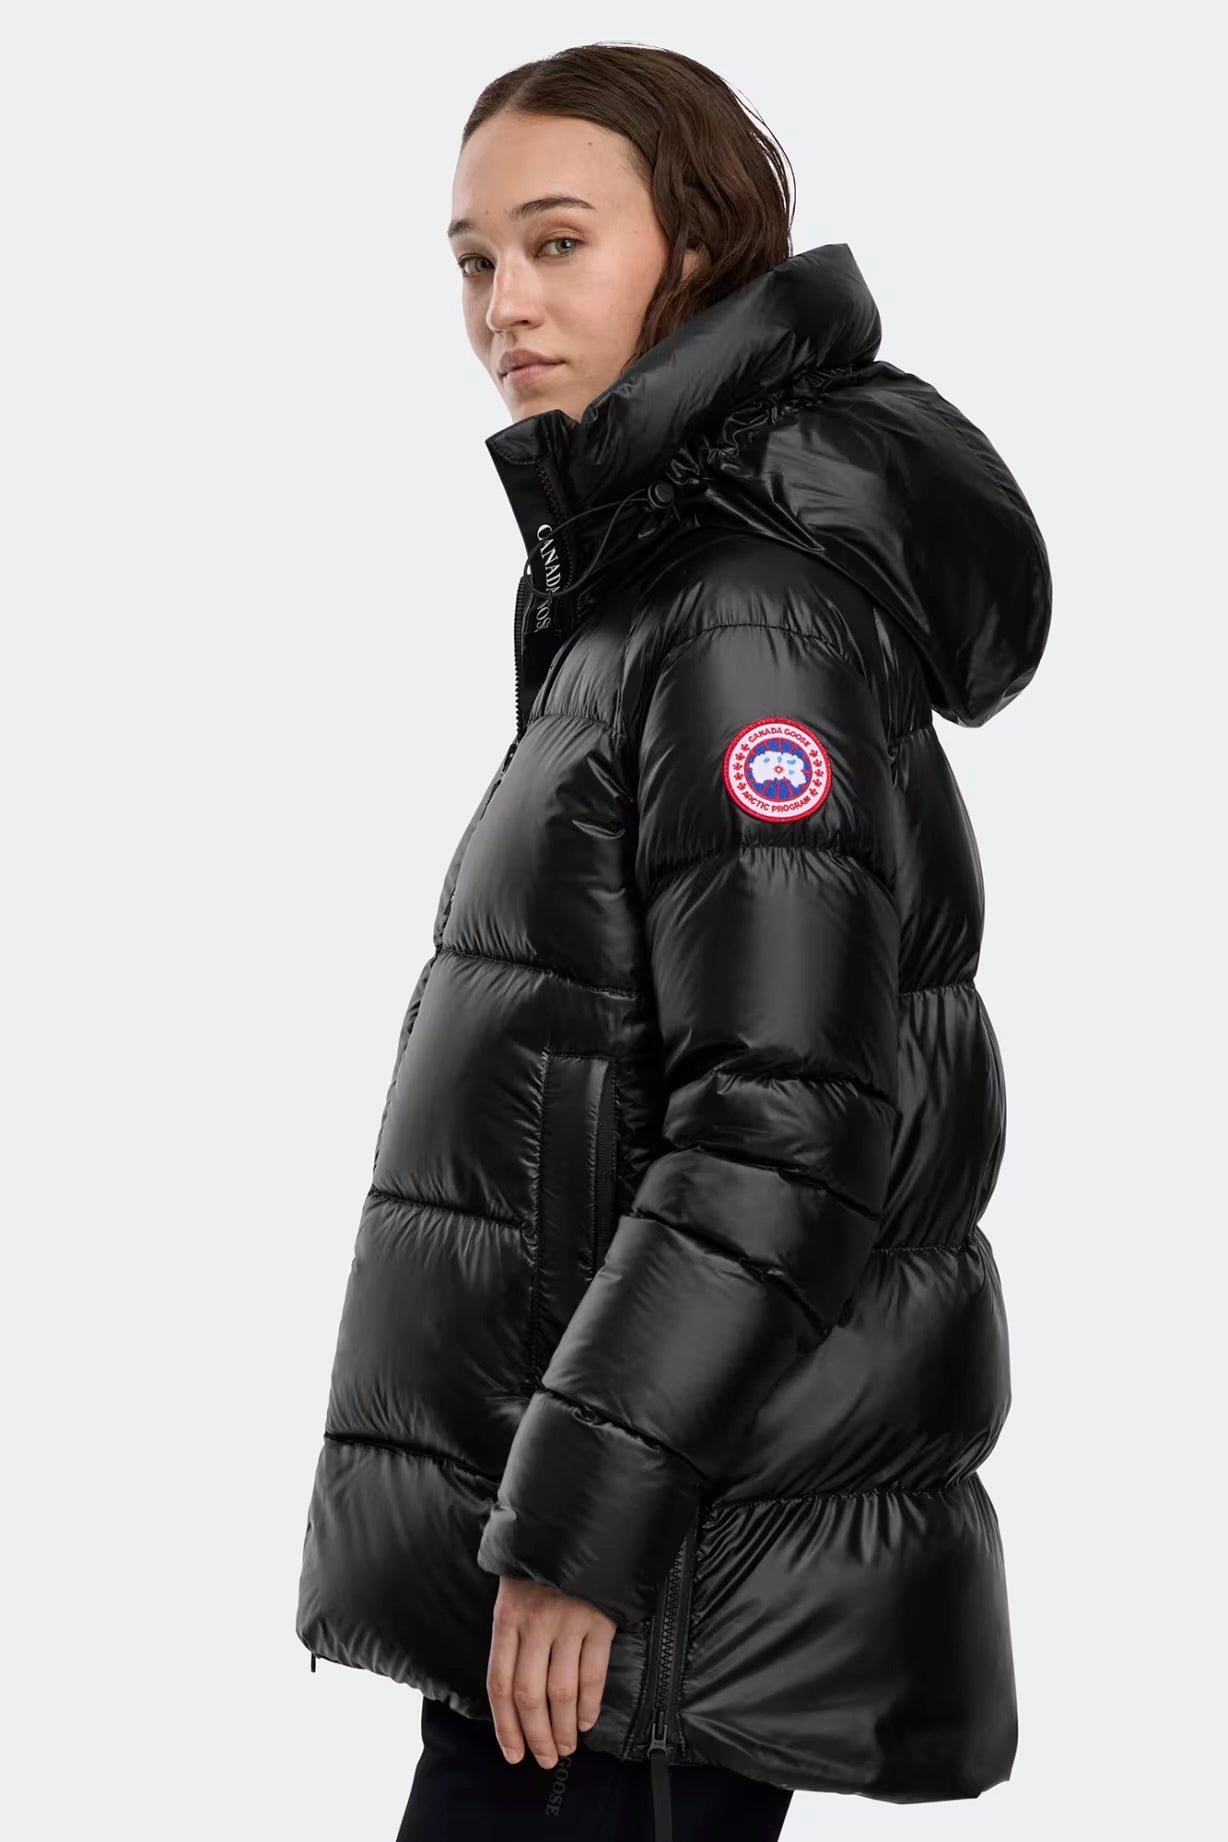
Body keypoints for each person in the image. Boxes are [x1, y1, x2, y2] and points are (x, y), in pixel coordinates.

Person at [295, 41, 1052, 1842]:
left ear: (698, 249)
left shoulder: (743, 612)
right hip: (597, 1568)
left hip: (644, 1598)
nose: (505, 304)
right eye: (475, 257)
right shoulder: (643, 581)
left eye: (558, 242)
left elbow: (781, 1123)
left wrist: (578, 1531)